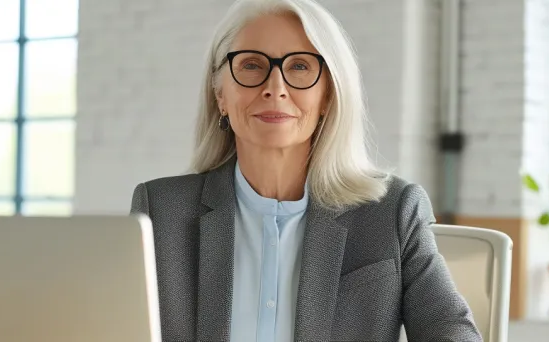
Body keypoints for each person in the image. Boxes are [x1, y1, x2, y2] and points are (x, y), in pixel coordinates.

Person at [128, 0, 482, 341]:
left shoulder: (393, 212)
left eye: (299, 66)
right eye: (251, 65)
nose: (275, 89)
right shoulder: (160, 210)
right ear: (220, 93)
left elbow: (452, 333)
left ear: (327, 94)